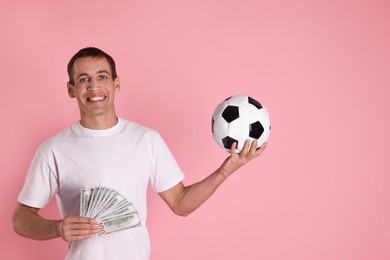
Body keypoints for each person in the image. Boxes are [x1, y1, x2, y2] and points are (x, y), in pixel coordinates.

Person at [12, 47, 267, 260]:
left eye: (102, 76)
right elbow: (20, 219)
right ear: (71, 89)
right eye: (83, 79)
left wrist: (225, 171)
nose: (93, 86)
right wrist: (56, 227)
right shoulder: (54, 149)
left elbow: (180, 204)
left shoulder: (146, 139)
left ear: (116, 83)